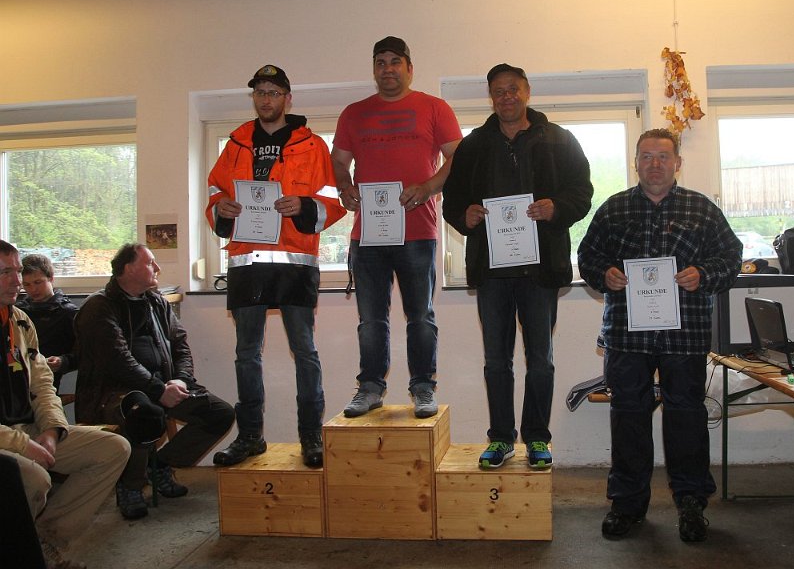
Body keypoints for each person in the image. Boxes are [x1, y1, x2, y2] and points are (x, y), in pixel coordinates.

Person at [577, 129, 742, 543]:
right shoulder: (613, 209)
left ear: (677, 163)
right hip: (626, 335)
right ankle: (627, 504)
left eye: (663, 156)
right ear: (635, 162)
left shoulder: (702, 209)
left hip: (685, 334)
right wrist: (604, 274)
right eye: (647, 156)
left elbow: (731, 257)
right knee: (628, 417)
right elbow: (587, 255)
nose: (655, 164)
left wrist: (704, 273)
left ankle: (691, 503)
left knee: (686, 418)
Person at [442, 63, 593, 469]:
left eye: (513, 89)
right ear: (491, 97)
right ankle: (500, 439)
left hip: (541, 271)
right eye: (498, 91)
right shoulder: (473, 145)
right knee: (496, 361)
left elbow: (583, 192)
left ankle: (537, 438)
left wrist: (556, 207)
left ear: (527, 91)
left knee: (540, 359)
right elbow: (452, 201)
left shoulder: (560, 140)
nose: (506, 97)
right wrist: (465, 216)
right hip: (492, 272)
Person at [206, 64, 346, 469]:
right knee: (246, 354)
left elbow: (333, 201)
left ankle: (311, 438)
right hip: (246, 263)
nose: (266, 99)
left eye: (273, 92)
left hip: (295, 265)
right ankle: (251, 437)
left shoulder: (312, 145)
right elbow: (215, 193)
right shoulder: (235, 144)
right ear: (254, 97)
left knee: (305, 353)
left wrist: (304, 205)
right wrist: (221, 208)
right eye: (260, 92)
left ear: (288, 98)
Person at [332, 36, 461, 419]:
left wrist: (429, 187)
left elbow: (459, 157)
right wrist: (344, 187)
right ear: (374, 69)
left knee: (420, 316)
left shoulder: (434, 107)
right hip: (368, 235)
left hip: (418, 232)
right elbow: (338, 162)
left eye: (394, 62)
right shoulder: (354, 113)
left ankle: (423, 388)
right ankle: (370, 389)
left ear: (409, 68)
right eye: (380, 62)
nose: (387, 69)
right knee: (371, 320)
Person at [74, 243, 234, 520]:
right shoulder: (99, 307)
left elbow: (180, 344)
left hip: (163, 385)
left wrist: (181, 380)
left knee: (220, 413)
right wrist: (159, 390)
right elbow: (118, 361)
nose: (157, 268)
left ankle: (159, 465)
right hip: (114, 392)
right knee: (145, 413)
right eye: (150, 263)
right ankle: (130, 486)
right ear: (128, 269)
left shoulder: (156, 301)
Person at [1, 239, 130, 568]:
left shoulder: (19, 321)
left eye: (17, 271)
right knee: (34, 479)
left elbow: (42, 383)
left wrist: (52, 429)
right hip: (5, 439)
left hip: (27, 428)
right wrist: (23, 445)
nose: (17, 281)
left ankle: (45, 540)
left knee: (113, 448)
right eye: (5, 273)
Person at [16, 253, 79, 392]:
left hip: (47, 383)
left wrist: (63, 361)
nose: (33, 289)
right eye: (26, 284)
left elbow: (86, 353)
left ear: (51, 278)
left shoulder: (68, 313)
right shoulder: (17, 312)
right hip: (16, 379)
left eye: (38, 282)